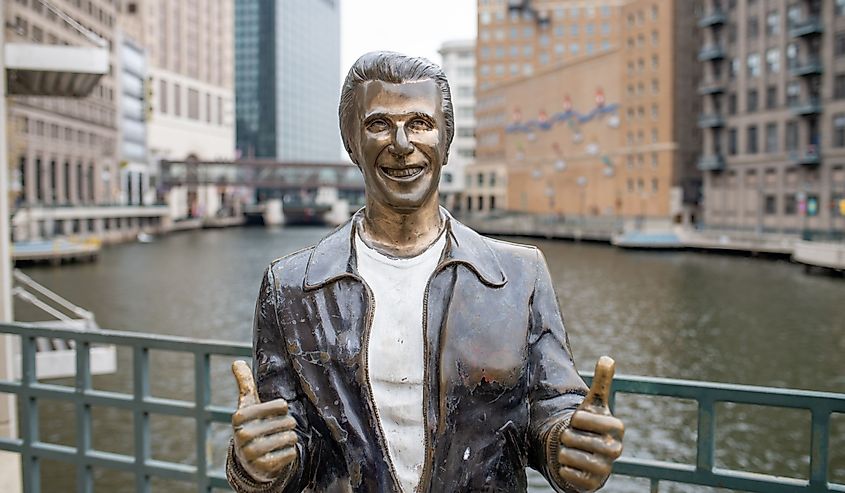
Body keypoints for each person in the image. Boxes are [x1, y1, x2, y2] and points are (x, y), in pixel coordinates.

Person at [226, 51, 624, 493]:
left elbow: (549, 411)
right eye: (379, 124)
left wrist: (570, 445)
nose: (401, 143)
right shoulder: (291, 287)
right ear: (351, 143)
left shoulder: (518, 275)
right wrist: (257, 464)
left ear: (446, 140)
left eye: (420, 123)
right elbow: (288, 446)